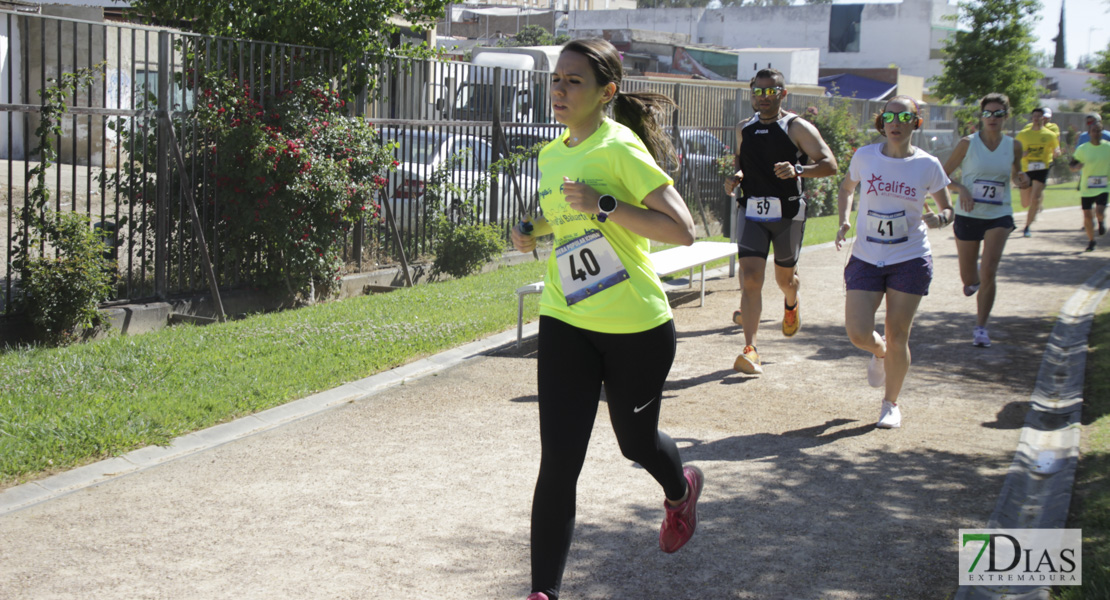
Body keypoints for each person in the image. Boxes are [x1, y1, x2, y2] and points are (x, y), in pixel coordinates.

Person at [510, 38, 703, 600]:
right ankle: (543, 591)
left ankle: (680, 489)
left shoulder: (619, 148)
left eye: (575, 81)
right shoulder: (550, 154)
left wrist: (604, 205)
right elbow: (560, 220)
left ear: (605, 93)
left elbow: (682, 229)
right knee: (559, 461)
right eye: (556, 80)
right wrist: (531, 231)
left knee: (635, 443)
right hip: (566, 318)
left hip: (636, 328)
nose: (561, 91)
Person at [834, 95, 954, 429]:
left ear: (917, 122)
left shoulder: (927, 165)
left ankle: (890, 403)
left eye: (904, 116)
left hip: (909, 257)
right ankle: (880, 353)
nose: (896, 123)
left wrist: (940, 219)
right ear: (882, 121)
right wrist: (844, 219)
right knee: (858, 332)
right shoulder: (865, 156)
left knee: (898, 333)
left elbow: (948, 209)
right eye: (890, 116)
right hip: (867, 256)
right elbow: (847, 189)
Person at [722, 68, 837, 375]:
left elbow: (829, 164)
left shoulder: (797, 127)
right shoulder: (744, 127)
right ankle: (750, 349)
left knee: (784, 280)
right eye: (758, 92)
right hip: (751, 212)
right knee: (749, 279)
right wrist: (736, 177)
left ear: (782, 94)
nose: (763, 97)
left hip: (787, 214)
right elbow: (741, 161)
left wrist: (799, 171)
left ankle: (791, 300)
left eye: (770, 92)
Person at [942, 93, 1029, 348]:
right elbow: (943, 176)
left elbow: (1015, 173)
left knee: (990, 269)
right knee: (969, 279)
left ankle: (981, 328)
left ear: (1006, 117)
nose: (992, 118)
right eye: (988, 113)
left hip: (999, 214)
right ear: (981, 116)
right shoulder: (967, 143)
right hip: (968, 214)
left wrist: (1021, 179)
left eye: (998, 114)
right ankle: (974, 283)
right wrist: (962, 189)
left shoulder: (1013, 145)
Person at [1014, 107, 1061, 237]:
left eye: (1039, 116)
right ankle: (1030, 214)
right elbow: (1014, 148)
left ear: (1043, 118)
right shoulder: (1024, 134)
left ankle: (1027, 226)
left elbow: (1056, 148)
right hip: (1026, 169)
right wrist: (1021, 153)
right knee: (1025, 203)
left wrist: (1057, 152)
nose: (1036, 119)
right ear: (1032, 118)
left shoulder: (1049, 134)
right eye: (1034, 116)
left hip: (1042, 168)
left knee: (1035, 198)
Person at [1069, 113, 1110, 252]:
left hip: (1104, 185)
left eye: (1099, 131)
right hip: (1087, 186)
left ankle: (1101, 220)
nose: (1096, 133)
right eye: (1094, 131)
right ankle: (1091, 241)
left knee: (1099, 211)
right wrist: (1076, 167)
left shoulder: (1108, 146)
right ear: (1090, 133)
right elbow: (1072, 164)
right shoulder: (1083, 148)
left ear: (1102, 131)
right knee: (1087, 216)